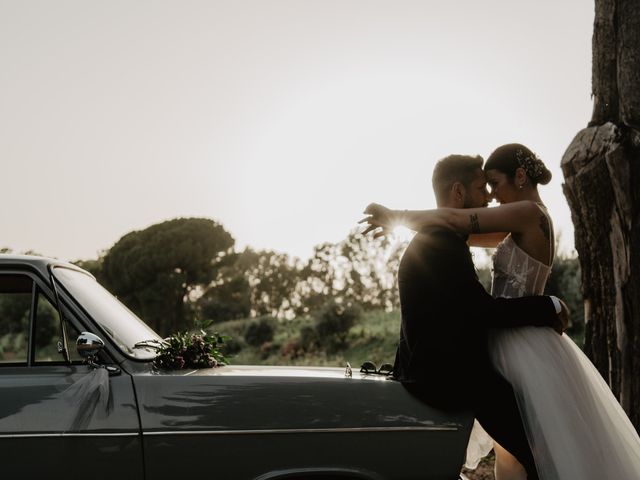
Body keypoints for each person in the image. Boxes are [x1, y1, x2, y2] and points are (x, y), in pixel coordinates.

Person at [361, 144, 640, 479]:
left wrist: (399, 217)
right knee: (534, 450)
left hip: (511, 347)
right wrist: (547, 305)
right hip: (482, 356)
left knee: (537, 451)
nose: (490, 196)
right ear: (459, 191)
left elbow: (456, 221)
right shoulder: (479, 231)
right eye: (484, 187)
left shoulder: (519, 214)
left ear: (520, 176)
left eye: (493, 184)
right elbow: (457, 229)